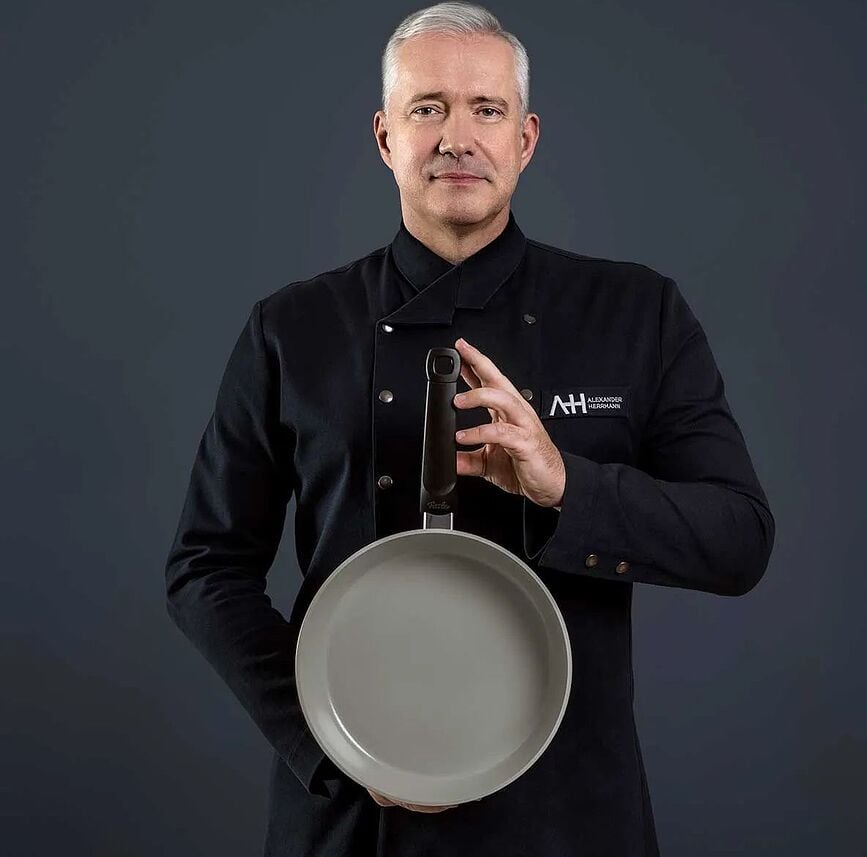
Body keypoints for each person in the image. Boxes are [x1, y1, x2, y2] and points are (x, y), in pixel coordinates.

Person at [164, 3, 776, 855]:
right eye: (428, 108)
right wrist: (330, 742)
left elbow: (739, 539)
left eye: (486, 109)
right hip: (357, 820)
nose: (457, 137)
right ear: (386, 138)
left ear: (525, 139)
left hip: (568, 815)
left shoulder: (637, 312)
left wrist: (565, 484)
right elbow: (205, 567)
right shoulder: (291, 327)